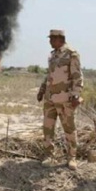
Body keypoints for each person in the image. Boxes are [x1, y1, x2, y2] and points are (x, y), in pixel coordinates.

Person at [36, 29, 83, 170]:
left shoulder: (71, 54)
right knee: (47, 128)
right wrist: (42, 89)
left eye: (51, 39)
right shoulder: (53, 55)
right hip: (50, 99)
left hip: (65, 100)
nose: (50, 41)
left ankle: (72, 157)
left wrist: (76, 95)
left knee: (69, 129)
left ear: (60, 39)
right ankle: (49, 155)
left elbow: (77, 76)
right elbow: (49, 74)